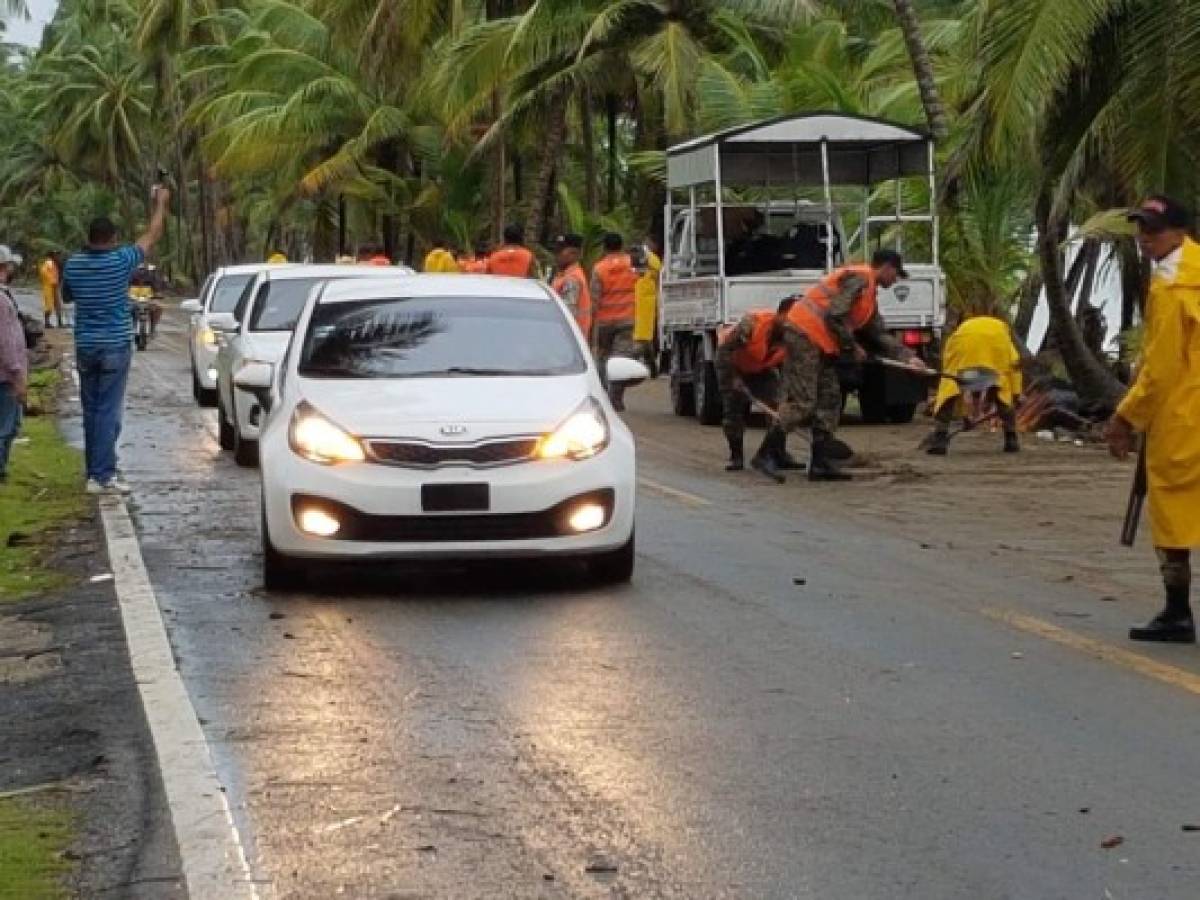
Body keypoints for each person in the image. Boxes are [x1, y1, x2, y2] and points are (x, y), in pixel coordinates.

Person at [1106, 195, 1200, 644]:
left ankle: (1177, 612)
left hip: (1183, 416)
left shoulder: (1172, 286)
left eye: (1154, 230)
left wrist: (1124, 417)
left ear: (1180, 233)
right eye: (1141, 229)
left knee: (1173, 511)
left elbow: (1160, 370)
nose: (1145, 239)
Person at [769, 249, 925, 482]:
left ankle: (820, 463)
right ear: (887, 267)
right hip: (804, 335)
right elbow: (834, 315)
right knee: (805, 403)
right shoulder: (860, 279)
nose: (895, 280)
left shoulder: (869, 296)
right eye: (896, 274)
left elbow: (879, 334)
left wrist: (907, 357)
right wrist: (852, 347)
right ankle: (768, 452)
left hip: (822, 344)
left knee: (831, 399)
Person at [63, 186, 171, 495]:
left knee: (92, 409)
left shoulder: (73, 264)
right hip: (115, 345)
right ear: (112, 239)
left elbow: (67, 296)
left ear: (89, 237)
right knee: (108, 410)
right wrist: (160, 203)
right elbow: (153, 233)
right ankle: (103, 474)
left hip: (86, 345)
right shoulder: (122, 260)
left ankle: (94, 471)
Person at [715, 298, 803, 478]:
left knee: (779, 409)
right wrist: (733, 378)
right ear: (780, 314)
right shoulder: (753, 324)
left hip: (761, 369)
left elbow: (789, 364)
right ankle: (736, 457)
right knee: (733, 412)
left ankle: (777, 453)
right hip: (733, 366)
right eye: (790, 319)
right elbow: (724, 351)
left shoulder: (794, 336)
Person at [925, 310, 1023, 456]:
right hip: (994, 352)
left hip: (962, 349)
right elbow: (1014, 367)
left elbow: (949, 363)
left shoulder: (963, 329)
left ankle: (940, 437)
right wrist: (1016, 394)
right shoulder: (1003, 335)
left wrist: (965, 413)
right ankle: (1011, 439)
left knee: (950, 387)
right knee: (1003, 391)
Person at [590, 232, 640, 411]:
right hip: (627, 319)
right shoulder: (632, 265)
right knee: (621, 359)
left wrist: (591, 323)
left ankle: (604, 393)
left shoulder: (599, 268)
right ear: (622, 245)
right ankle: (616, 397)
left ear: (604, 247)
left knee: (603, 357)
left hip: (605, 322)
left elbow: (594, 298)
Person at [0, 248, 28, 483]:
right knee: (6, 427)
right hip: (5, 375)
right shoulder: (1, 301)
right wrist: (17, 375)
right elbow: (6, 343)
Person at [550, 233, 592, 337]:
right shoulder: (564, 275)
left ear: (574, 254)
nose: (556, 255)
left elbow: (566, 313)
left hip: (569, 337)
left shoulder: (572, 279)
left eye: (560, 251)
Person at [633, 236, 662, 372]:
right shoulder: (652, 259)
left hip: (644, 301)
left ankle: (647, 364)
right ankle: (650, 364)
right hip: (647, 302)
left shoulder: (647, 259)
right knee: (645, 337)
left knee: (643, 337)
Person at [39, 254, 62, 329]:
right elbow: (43, 271)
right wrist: (52, 280)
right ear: (53, 256)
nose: (59, 257)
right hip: (49, 286)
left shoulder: (56, 263)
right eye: (57, 255)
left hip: (55, 286)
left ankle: (59, 322)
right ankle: (47, 322)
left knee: (58, 304)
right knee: (49, 305)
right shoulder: (49, 262)